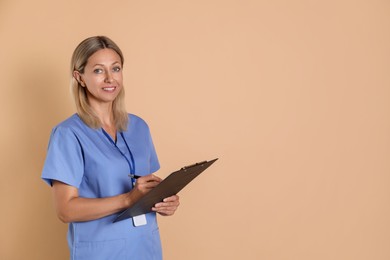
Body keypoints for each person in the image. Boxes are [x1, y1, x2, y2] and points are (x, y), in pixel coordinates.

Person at [41, 36, 180, 260]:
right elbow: (65, 210)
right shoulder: (68, 134)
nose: (109, 78)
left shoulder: (139, 127)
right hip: (101, 252)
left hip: (146, 247)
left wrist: (164, 201)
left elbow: (145, 187)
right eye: (98, 70)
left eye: (115, 68)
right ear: (80, 77)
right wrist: (128, 199)